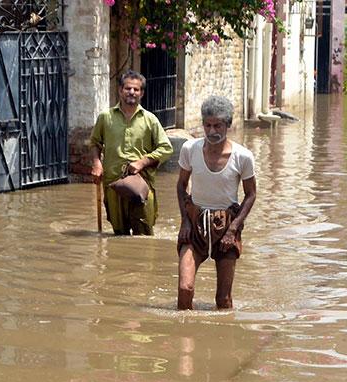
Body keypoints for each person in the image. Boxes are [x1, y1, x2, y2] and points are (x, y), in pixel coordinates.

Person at [176, 96, 257, 310]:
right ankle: (183, 337)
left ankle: (223, 340)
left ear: (228, 125)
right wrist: (185, 221)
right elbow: (181, 185)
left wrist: (233, 228)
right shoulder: (190, 149)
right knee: (185, 290)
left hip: (226, 223)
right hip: (195, 222)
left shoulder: (243, 157)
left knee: (223, 300)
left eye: (218, 126)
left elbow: (250, 194)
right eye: (208, 125)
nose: (212, 131)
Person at [90, 70, 173, 235]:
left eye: (136, 89)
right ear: (120, 90)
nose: (132, 92)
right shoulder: (106, 117)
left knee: (144, 235)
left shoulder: (150, 120)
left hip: (141, 185)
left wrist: (142, 162)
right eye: (128, 88)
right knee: (119, 234)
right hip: (113, 183)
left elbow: (166, 148)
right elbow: (95, 142)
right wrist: (96, 162)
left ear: (141, 93)